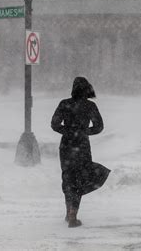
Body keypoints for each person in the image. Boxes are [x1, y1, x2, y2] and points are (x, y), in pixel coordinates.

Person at [51, 77, 110, 228]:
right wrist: (83, 132)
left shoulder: (64, 104)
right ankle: (73, 214)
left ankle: (69, 211)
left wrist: (69, 131)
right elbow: (99, 127)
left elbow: (54, 124)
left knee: (68, 177)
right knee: (80, 178)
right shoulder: (90, 106)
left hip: (66, 146)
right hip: (82, 145)